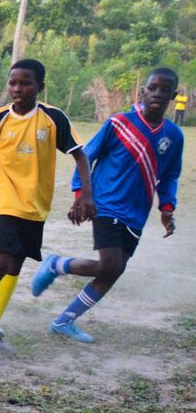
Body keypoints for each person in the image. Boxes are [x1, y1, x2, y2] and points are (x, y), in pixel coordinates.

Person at [0, 59, 94, 359]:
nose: (17, 88)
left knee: (16, 264)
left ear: (39, 86)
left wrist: (85, 196)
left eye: (25, 82)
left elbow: (81, 156)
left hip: (36, 205)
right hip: (5, 201)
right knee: (1, 261)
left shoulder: (53, 119)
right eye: (13, 82)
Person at [33, 68, 184, 343]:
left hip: (137, 213)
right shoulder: (119, 123)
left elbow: (170, 175)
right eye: (153, 88)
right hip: (106, 205)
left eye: (165, 90)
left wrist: (167, 208)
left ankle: (63, 321)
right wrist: (81, 194)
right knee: (108, 265)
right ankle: (57, 264)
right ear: (143, 91)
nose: (157, 94)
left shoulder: (173, 136)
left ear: (173, 96)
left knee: (115, 270)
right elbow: (86, 155)